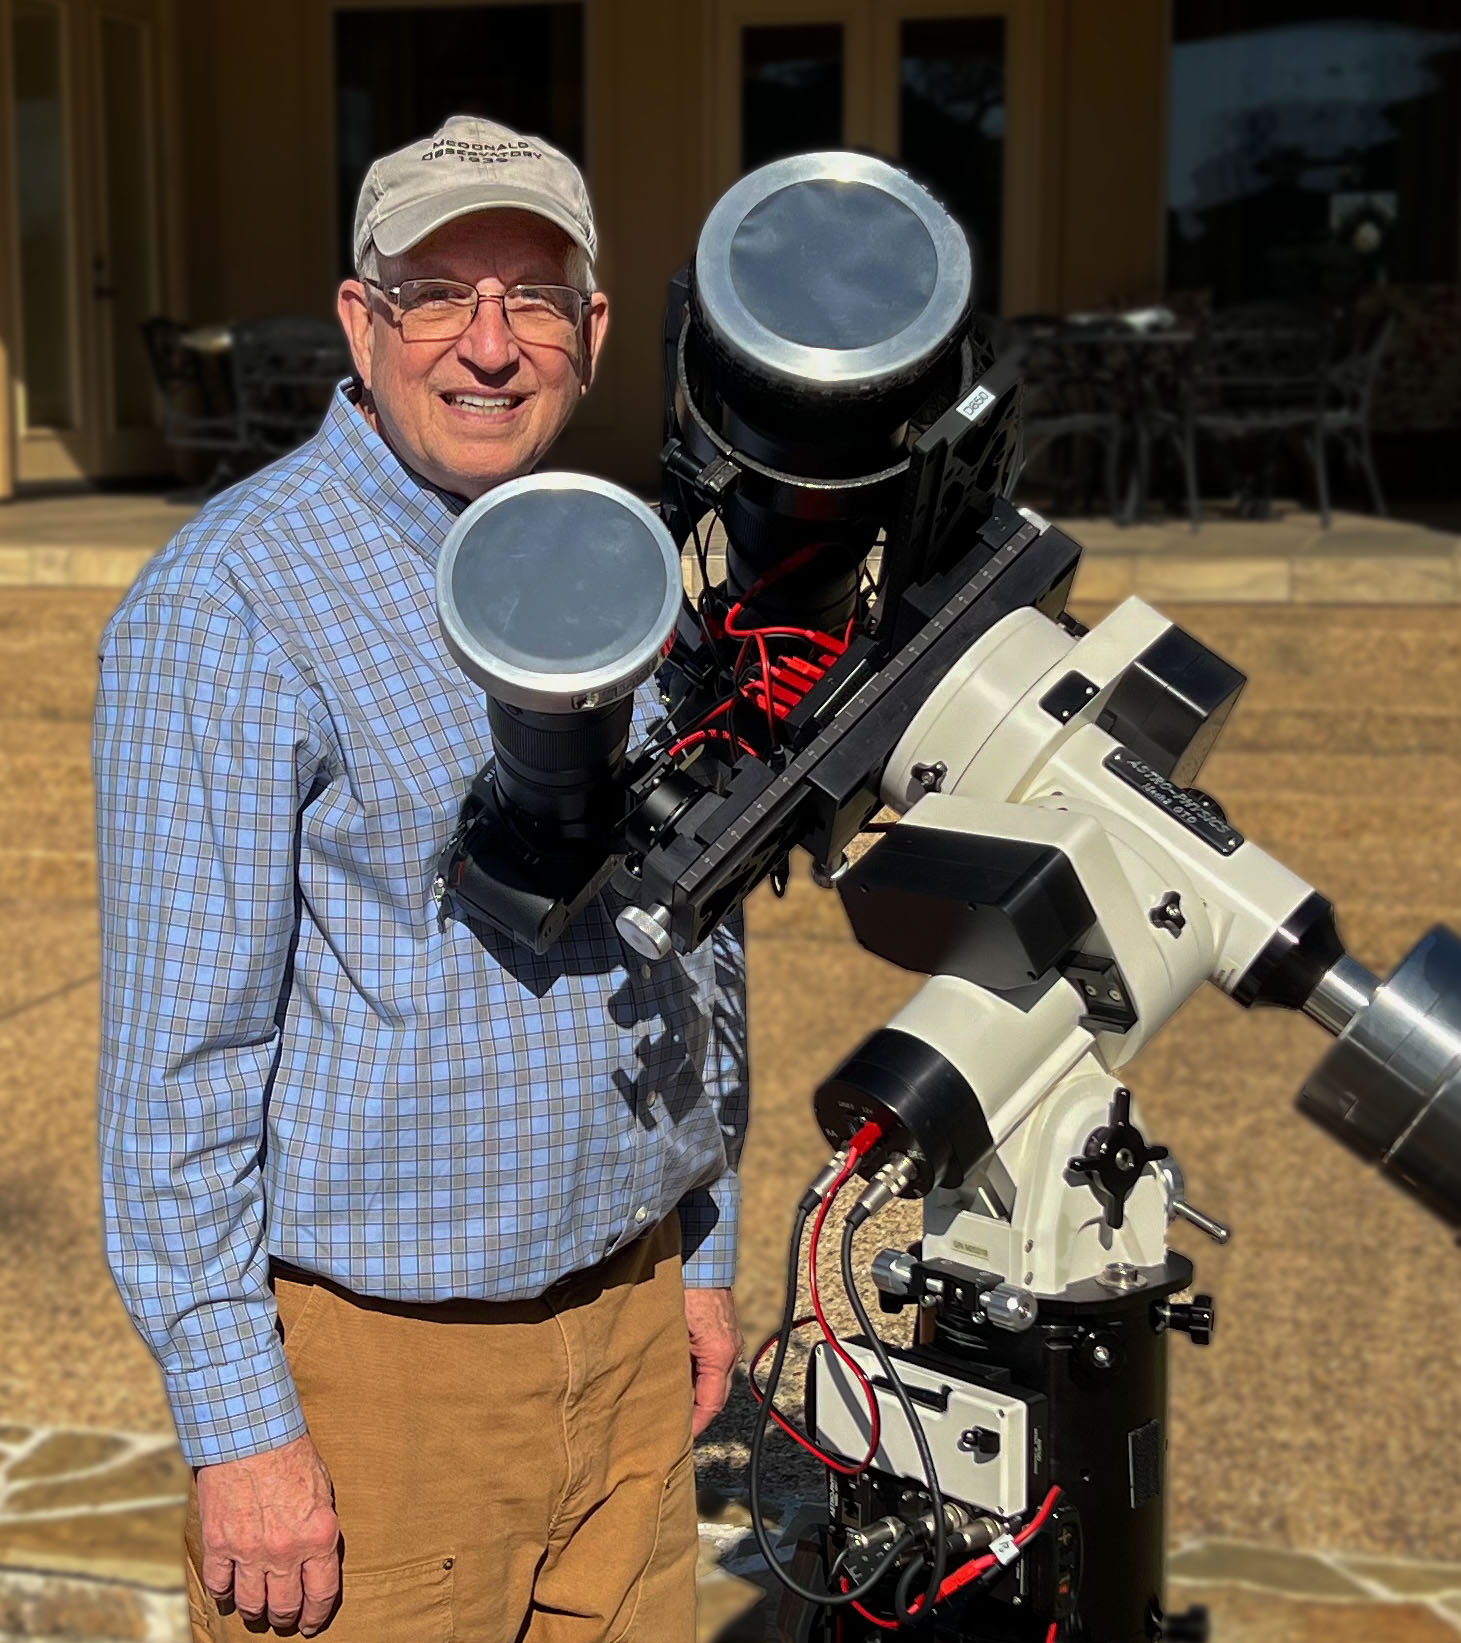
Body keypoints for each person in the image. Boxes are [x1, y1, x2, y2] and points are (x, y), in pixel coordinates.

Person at [94, 116, 748, 1643]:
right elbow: (181, 1067)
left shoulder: (626, 560)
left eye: (532, 298)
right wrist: (238, 1428)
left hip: (633, 1331)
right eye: (435, 293)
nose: (488, 344)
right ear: (359, 319)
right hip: (383, 1390)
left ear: (592, 333)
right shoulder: (234, 602)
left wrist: (700, 1250)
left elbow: (693, 933)